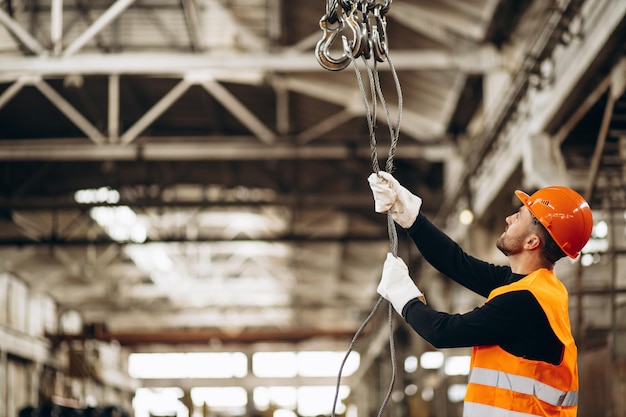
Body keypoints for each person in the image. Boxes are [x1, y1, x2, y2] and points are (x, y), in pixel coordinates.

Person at [367, 171, 593, 417]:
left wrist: (403, 296)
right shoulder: (534, 287)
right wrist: (409, 214)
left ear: (531, 243)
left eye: (519, 217)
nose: (508, 218)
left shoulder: (524, 302)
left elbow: (442, 332)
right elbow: (457, 263)